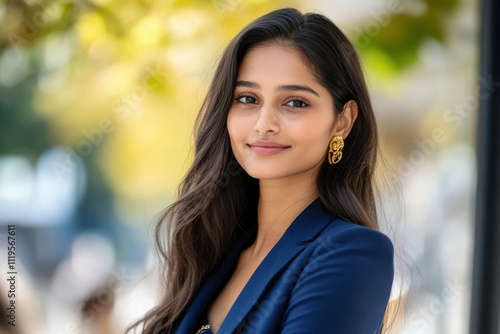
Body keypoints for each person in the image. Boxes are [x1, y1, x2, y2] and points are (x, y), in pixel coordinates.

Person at [130, 7, 394, 334]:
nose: (264, 124)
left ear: (342, 120)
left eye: (295, 102)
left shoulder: (351, 254)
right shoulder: (216, 250)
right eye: (247, 98)